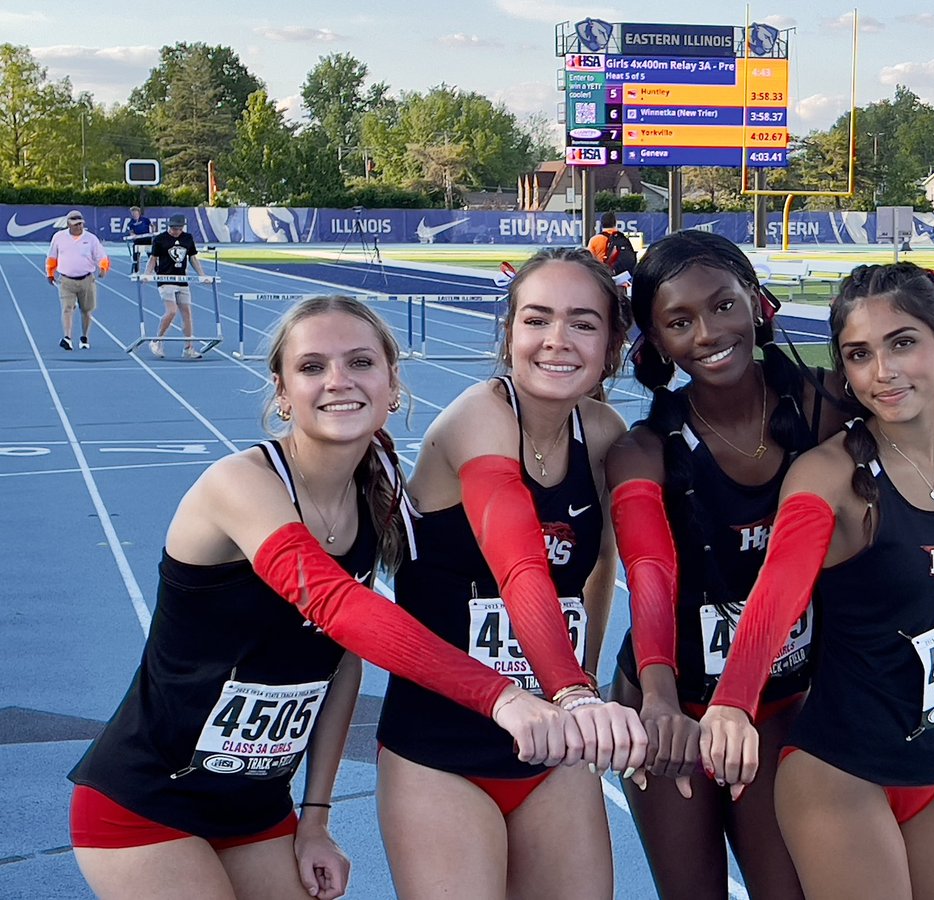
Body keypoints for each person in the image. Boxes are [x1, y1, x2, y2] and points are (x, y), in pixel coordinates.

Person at [69, 295, 586, 900]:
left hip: (258, 810)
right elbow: (338, 607)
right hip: (146, 802)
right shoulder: (240, 485)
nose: (337, 381)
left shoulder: (379, 489)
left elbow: (343, 657)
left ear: (392, 381)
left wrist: (316, 817)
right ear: (282, 391)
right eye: (312, 367)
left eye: (360, 362)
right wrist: (500, 697)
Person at [700, 263, 934, 900]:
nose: (883, 372)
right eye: (858, 355)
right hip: (841, 777)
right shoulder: (829, 476)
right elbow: (775, 595)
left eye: (902, 342)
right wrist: (733, 700)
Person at [375, 248, 647, 900]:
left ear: (611, 342)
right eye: (537, 320)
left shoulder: (605, 432)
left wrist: (581, 674)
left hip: (551, 749)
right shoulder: (478, 419)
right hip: (442, 751)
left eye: (583, 323)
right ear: (509, 335)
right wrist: (575, 692)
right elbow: (520, 563)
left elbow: (603, 566)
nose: (557, 340)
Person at [606, 229, 847, 899]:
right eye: (679, 321)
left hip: (780, 703)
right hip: (672, 705)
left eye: (723, 306)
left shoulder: (825, 410)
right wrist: (656, 702)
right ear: (655, 344)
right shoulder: (644, 450)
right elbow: (649, 578)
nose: (708, 333)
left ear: (758, 301)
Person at [144, 213, 210, 359]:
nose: (176, 231)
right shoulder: (160, 239)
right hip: (165, 279)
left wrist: (202, 274)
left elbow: (192, 258)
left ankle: (188, 348)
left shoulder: (187, 238)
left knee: (187, 314)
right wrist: (147, 274)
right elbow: (153, 259)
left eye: (179, 229)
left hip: (182, 280)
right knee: (172, 311)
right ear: (169, 226)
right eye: (174, 228)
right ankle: (157, 340)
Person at [46, 209, 110, 351]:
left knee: (86, 310)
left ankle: (84, 337)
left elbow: (101, 256)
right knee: (67, 308)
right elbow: (52, 257)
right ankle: (67, 338)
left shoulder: (91, 239)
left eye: (80, 224)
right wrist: (50, 273)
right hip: (66, 280)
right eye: (75, 224)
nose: (78, 226)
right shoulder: (59, 237)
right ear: (68, 224)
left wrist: (103, 268)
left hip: (86, 279)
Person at [588, 210, 638, 280]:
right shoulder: (622, 238)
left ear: (601, 224)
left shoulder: (595, 240)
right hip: (622, 278)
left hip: (603, 277)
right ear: (615, 223)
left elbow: (589, 261)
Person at [126, 205, 153, 274]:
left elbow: (152, 226)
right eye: (133, 213)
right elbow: (131, 232)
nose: (134, 214)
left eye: (135, 213)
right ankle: (136, 271)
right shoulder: (130, 223)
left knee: (152, 256)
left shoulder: (145, 220)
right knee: (135, 256)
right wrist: (133, 235)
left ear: (138, 213)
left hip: (147, 240)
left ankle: (155, 270)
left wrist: (152, 232)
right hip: (138, 241)